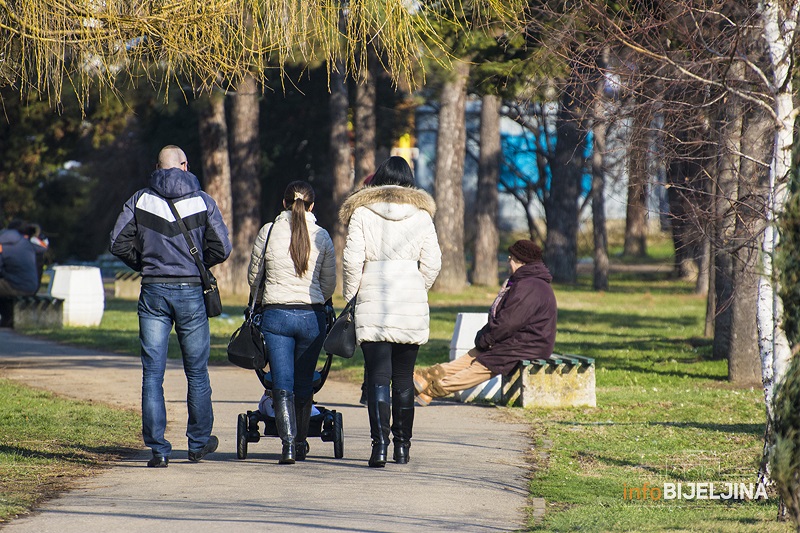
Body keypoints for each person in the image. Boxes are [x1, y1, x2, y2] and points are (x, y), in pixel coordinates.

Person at [109, 145, 231, 468]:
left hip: (153, 291)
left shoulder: (140, 200)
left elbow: (117, 242)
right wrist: (199, 265)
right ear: (185, 165)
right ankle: (198, 443)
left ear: (157, 167)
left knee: (153, 373)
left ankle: (158, 449)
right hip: (191, 292)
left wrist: (143, 264)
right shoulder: (203, 201)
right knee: (197, 372)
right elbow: (223, 247)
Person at [339, 156, 441, 467]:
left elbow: (352, 260)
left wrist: (351, 296)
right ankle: (402, 447)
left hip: (373, 297)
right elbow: (433, 263)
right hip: (409, 300)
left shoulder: (362, 213)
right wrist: (417, 286)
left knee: (378, 377)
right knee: (404, 377)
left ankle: (379, 446)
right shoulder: (422, 216)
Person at [248, 181, 335, 464]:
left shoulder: (268, 231)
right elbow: (329, 285)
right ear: (312, 206)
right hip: (311, 317)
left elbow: (254, 277)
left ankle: (286, 445)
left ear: (284, 203)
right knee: (304, 383)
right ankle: (299, 442)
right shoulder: (322, 236)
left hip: (276, 316)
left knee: (281, 383)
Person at [413, 239, 557, 405]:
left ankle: (433, 390)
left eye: (510, 258)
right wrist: (485, 338)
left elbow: (508, 322)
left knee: (484, 365)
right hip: (519, 341)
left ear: (520, 261)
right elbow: (507, 321)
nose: (508, 262)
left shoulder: (530, 286)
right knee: (472, 356)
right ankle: (426, 376)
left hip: (528, 346)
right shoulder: (529, 283)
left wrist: (487, 338)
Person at [0, 220, 40, 327]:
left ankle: (7, 318)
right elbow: (43, 247)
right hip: (32, 286)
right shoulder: (26, 242)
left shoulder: (2, 244)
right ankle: (7, 319)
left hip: (17, 285)